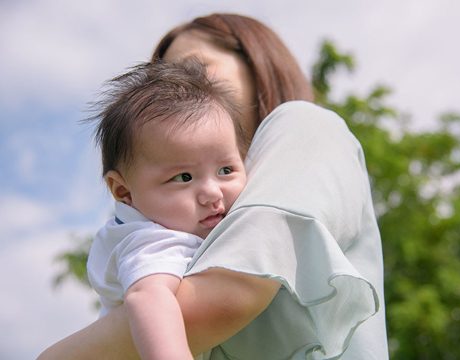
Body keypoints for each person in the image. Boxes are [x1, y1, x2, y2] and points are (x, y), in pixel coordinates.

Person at [38, 13, 388, 360]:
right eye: (163, 82)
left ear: (256, 63)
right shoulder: (158, 232)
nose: (181, 90)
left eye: (194, 68)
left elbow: (226, 298)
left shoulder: (303, 124)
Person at [85, 59, 247, 360]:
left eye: (226, 169)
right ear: (124, 192)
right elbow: (148, 298)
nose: (212, 193)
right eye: (183, 177)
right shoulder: (152, 241)